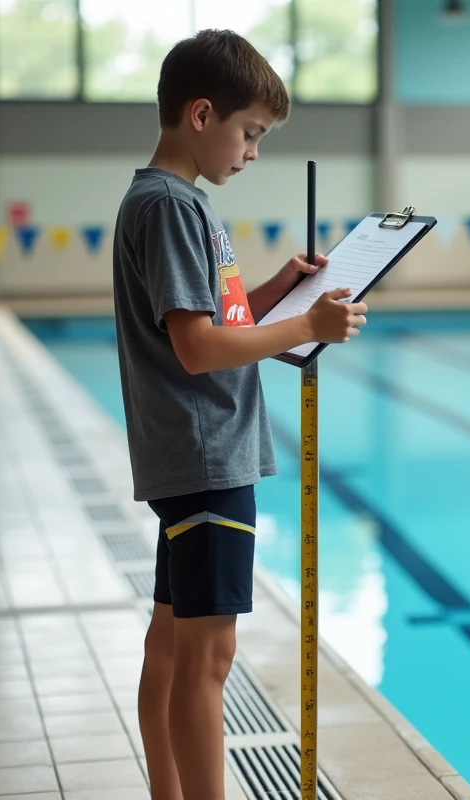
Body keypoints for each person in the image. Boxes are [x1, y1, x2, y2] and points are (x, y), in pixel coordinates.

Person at [112, 29, 367, 800]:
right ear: (200, 114)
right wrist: (308, 328)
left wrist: (275, 291)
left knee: (170, 651)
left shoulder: (164, 202)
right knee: (208, 662)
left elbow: (203, 323)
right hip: (208, 459)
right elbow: (197, 350)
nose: (252, 152)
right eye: (249, 132)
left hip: (190, 460)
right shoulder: (172, 208)